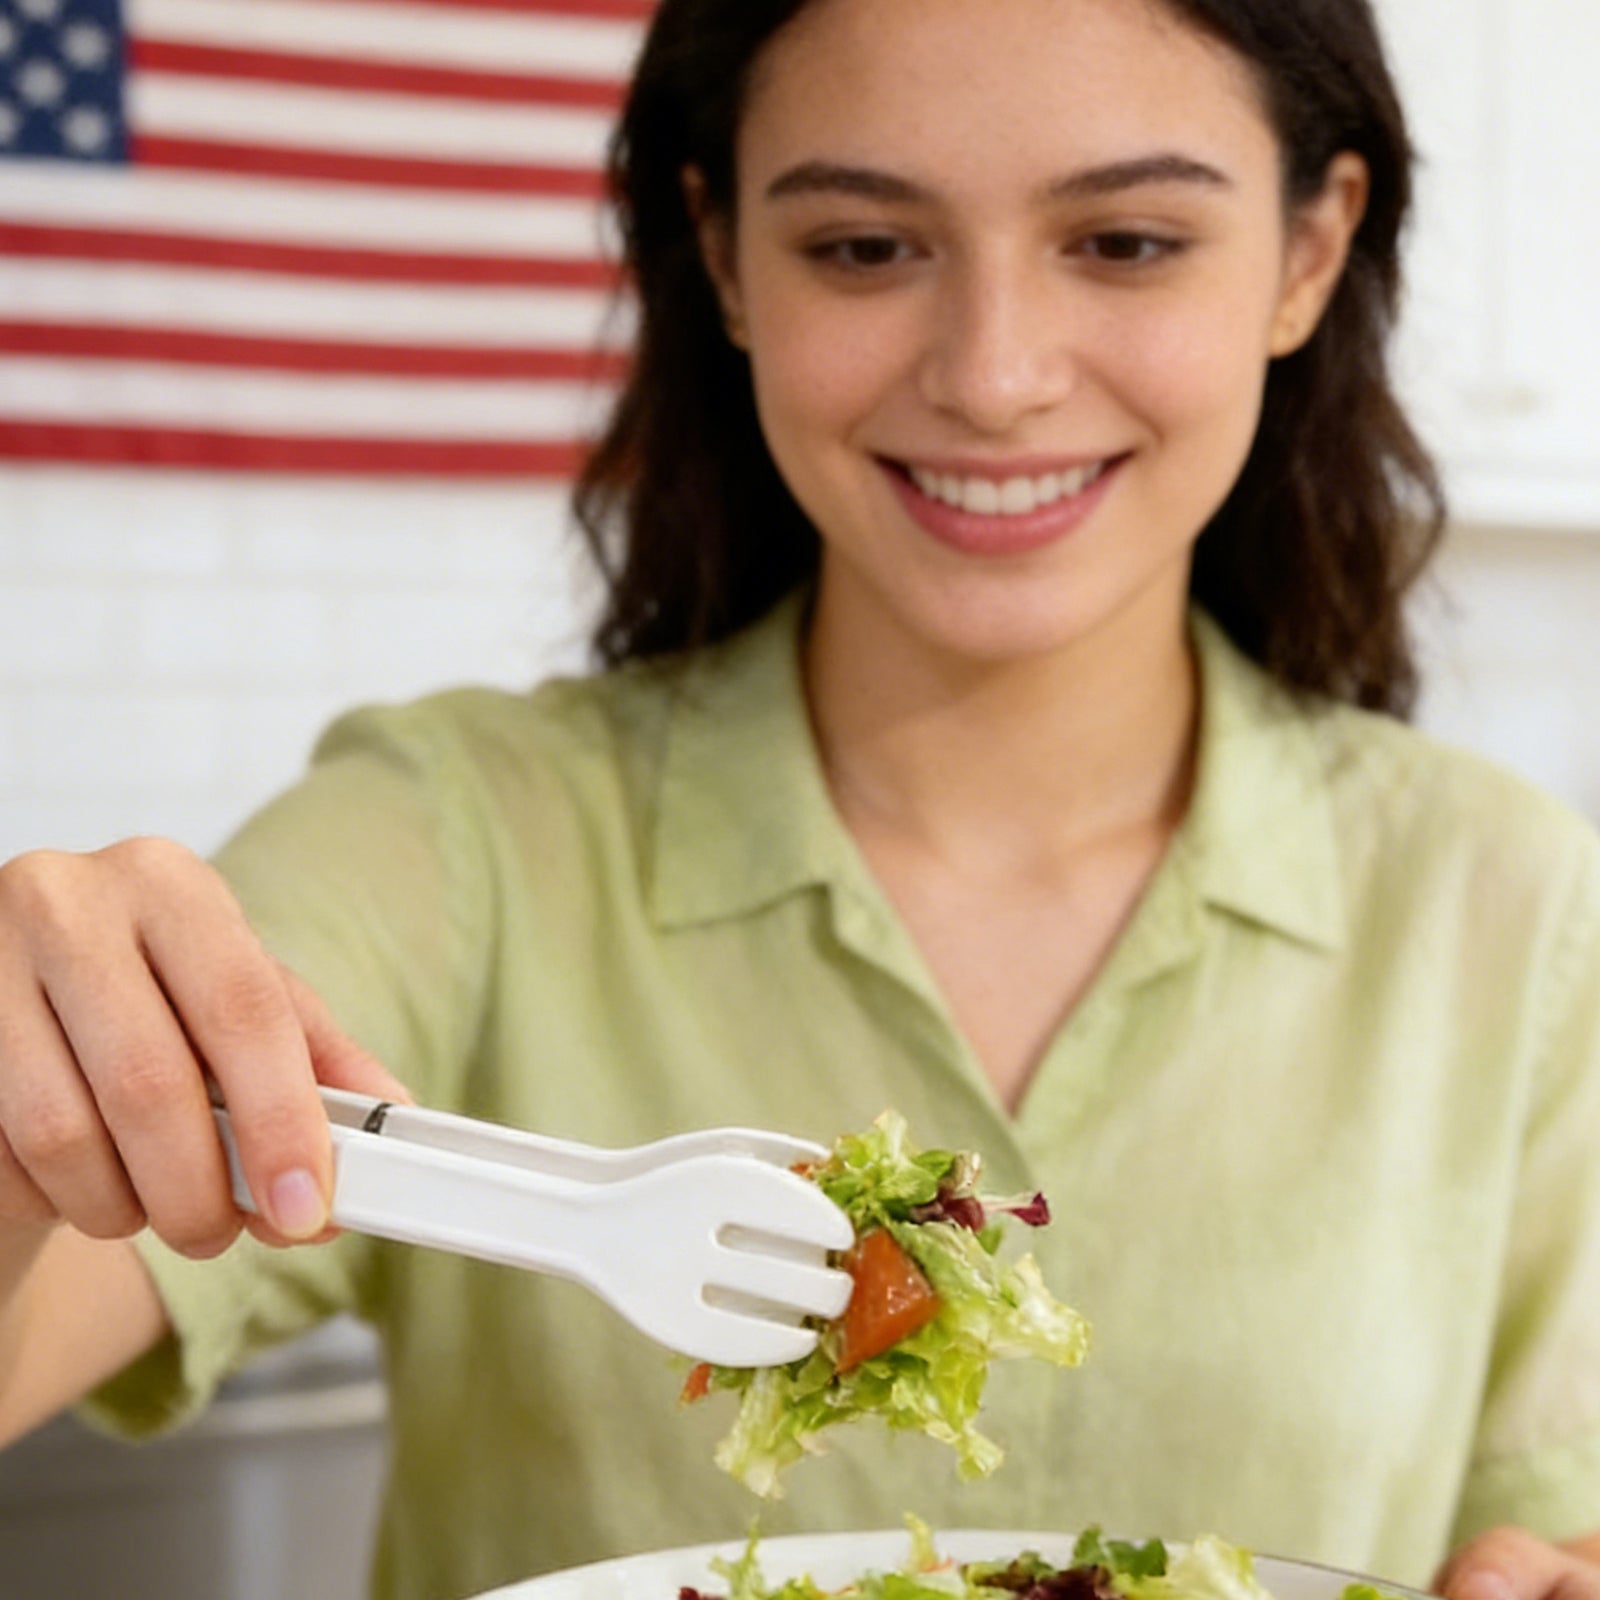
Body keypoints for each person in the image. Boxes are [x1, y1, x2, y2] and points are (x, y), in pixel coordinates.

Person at [1, 0, 1597, 1598]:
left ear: (1310, 250)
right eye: (862, 248)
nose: (994, 377)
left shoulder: (1514, 904)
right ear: (723, 257)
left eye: (1123, 243)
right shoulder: (462, 832)